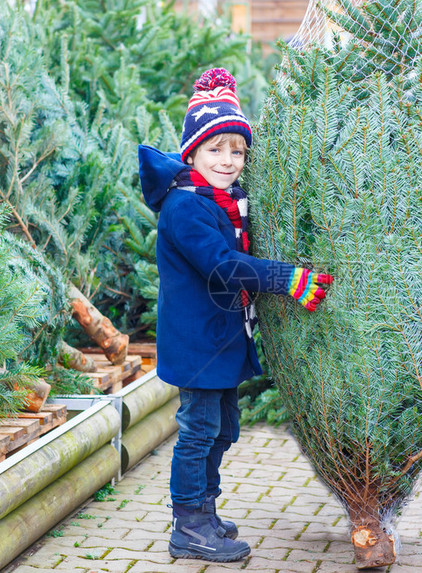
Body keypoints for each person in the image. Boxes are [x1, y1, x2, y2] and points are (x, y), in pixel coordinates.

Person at [137, 68, 333, 563]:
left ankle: (204, 508)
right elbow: (223, 268)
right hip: (197, 343)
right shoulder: (186, 208)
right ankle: (187, 525)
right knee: (199, 428)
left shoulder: (224, 201)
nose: (228, 160)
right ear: (192, 153)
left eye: (236, 150)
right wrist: (286, 278)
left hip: (219, 339)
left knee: (224, 429)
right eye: (215, 149)